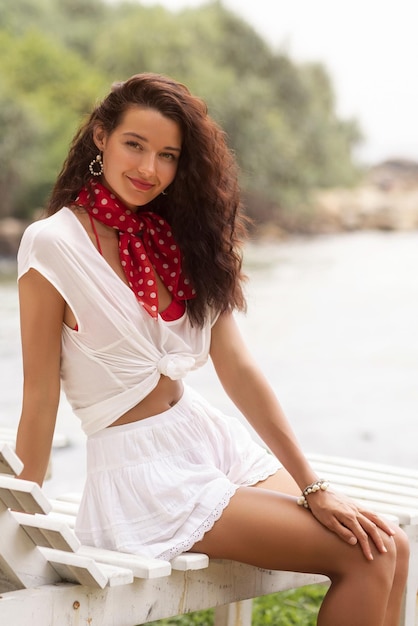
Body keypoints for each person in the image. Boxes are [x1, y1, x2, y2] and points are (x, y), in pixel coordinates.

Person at [15, 73, 408, 626]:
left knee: (390, 543)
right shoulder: (53, 244)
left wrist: (312, 484)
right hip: (142, 475)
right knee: (369, 555)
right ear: (101, 137)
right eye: (135, 145)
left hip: (207, 440)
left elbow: (240, 371)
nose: (149, 169)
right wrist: (17, 515)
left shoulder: (179, 238)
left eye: (168, 155)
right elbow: (39, 392)